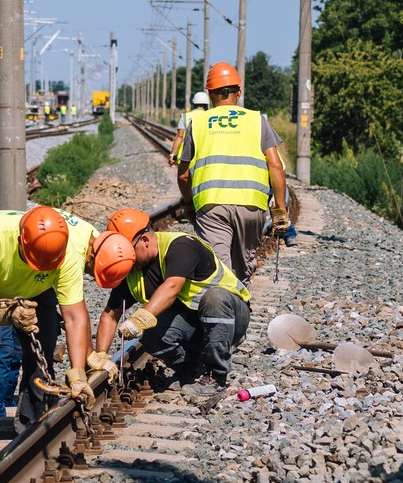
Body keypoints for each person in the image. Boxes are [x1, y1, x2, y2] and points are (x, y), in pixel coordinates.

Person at [0, 205, 95, 439]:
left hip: (38, 291)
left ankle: (32, 425)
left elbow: (75, 315)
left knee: (41, 357)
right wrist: (4, 310)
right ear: (20, 241)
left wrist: (77, 373)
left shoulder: (68, 254)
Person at [90, 226, 251, 399]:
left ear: (144, 240)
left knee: (215, 297)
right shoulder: (132, 270)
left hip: (231, 319)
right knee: (150, 332)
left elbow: (172, 286)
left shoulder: (180, 246)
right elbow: (110, 315)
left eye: (131, 251)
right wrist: (101, 356)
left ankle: (215, 376)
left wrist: (140, 319)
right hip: (196, 328)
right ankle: (191, 369)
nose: (130, 260)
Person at [175, 62, 289, 280]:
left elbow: (183, 175)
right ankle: (240, 308)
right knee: (242, 270)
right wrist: (280, 211)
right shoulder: (258, 121)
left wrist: (189, 203)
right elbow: (276, 167)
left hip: (212, 207)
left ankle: (225, 309)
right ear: (239, 91)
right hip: (251, 207)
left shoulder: (197, 124)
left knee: (218, 273)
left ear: (210, 94)